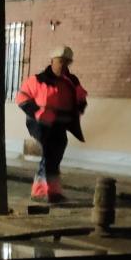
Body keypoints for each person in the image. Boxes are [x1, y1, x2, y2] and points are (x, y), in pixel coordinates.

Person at [15, 46, 88, 203]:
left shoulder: (72, 81)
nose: (63, 65)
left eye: (66, 62)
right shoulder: (38, 80)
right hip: (40, 124)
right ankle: (41, 191)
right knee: (49, 154)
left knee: (57, 155)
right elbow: (22, 98)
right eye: (60, 61)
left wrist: (79, 108)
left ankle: (53, 191)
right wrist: (38, 112)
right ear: (52, 61)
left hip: (60, 124)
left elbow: (81, 97)